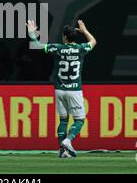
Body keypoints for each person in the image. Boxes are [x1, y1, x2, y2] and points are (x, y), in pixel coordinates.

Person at [26, 19, 96, 158]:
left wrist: (32, 34)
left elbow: (37, 45)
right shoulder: (81, 49)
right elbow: (93, 41)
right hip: (74, 89)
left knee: (63, 120)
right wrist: (84, 30)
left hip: (59, 90)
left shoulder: (58, 48)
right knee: (79, 120)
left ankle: (62, 151)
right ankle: (68, 140)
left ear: (64, 37)